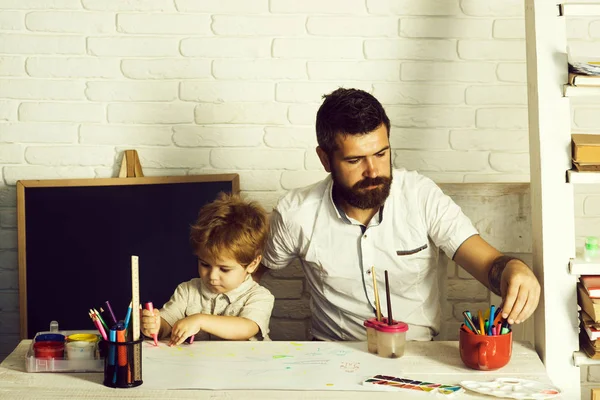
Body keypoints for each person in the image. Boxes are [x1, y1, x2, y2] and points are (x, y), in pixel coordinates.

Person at [255, 88, 540, 341]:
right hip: (333, 357)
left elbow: (488, 263)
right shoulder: (295, 213)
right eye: (355, 160)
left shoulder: (420, 195)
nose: (373, 171)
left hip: (415, 358)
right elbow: (247, 272)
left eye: (381, 154)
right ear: (325, 159)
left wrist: (515, 270)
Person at [141, 193, 275, 345]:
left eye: (224, 269)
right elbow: (167, 324)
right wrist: (155, 326)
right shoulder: (187, 291)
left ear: (252, 264)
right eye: (205, 264)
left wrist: (200, 320)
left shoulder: (260, 296)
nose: (212, 276)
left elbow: (246, 328)